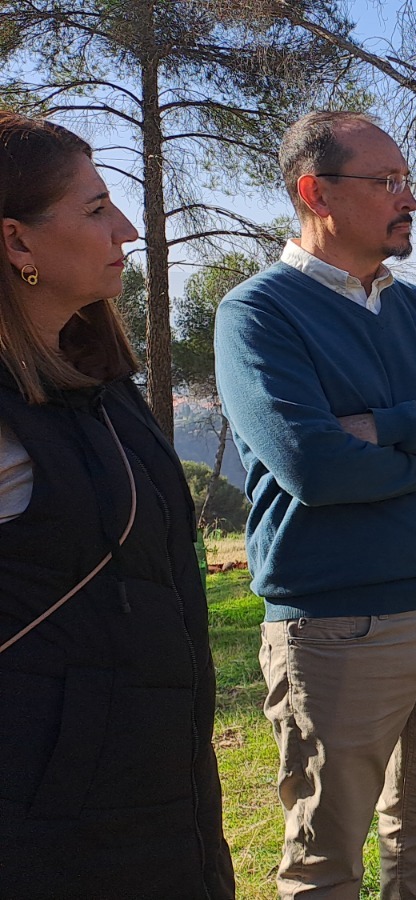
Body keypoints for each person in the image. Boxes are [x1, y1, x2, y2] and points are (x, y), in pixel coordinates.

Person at [213, 111, 416, 899]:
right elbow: (315, 467)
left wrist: (389, 426)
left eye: (407, 180)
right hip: (335, 626)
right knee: (325, 859)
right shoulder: (258, 314)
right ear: (315, 192)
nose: (408, 198)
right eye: (386, 181)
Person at [0, 112, 234, 898]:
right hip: (51, 835)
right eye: (97, 209)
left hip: (164, 798)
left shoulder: (101, 382)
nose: (128, 229)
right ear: (17, 242)